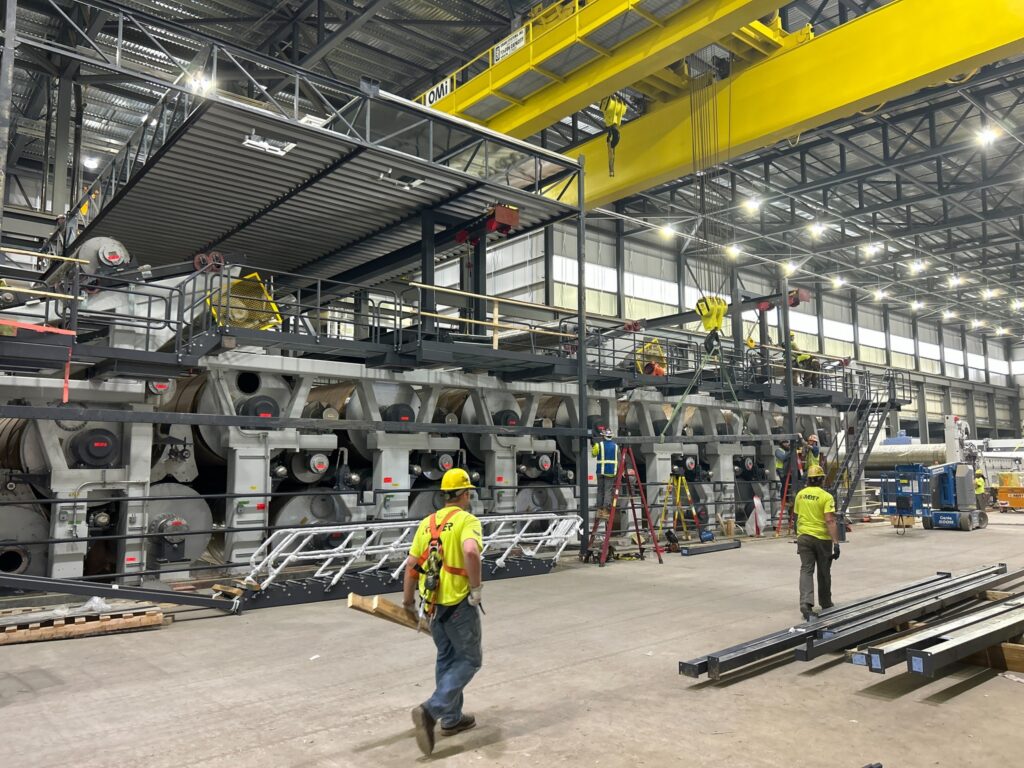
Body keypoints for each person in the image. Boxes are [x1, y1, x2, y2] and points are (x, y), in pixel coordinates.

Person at [403, 467, 484, 757]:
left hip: (432, 604)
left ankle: (451, 719)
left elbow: (412, 565)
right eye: (469, 493)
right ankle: (432, 710)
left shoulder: (427, 523)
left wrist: (408, 603)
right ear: (464, 494)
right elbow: (472, 552)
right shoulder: (467, 520)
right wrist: (476, 588)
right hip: (459, 602)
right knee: (470, 659)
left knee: (447, 657)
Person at [793, 464, 840, 621]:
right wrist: (836, 542)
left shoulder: (800, 495)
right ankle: (825, 602)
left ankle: (806, 604)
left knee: (806, 569)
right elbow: (830, 520)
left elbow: (796, 516)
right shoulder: (826, 496)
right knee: (823, 571)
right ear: (821, 479)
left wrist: (798, 535)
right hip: (822, 539)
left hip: (803, 537)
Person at [591, 428, 620, 520]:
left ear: (603, 436)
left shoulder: (598, 445)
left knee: (600, 490)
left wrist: (595, 447)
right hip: (610, 471)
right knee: (607, 491)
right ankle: (605, 511)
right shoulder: (616, 446)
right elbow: (618, 456)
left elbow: (593, 454)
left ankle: (599, 511)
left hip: (600, 471)